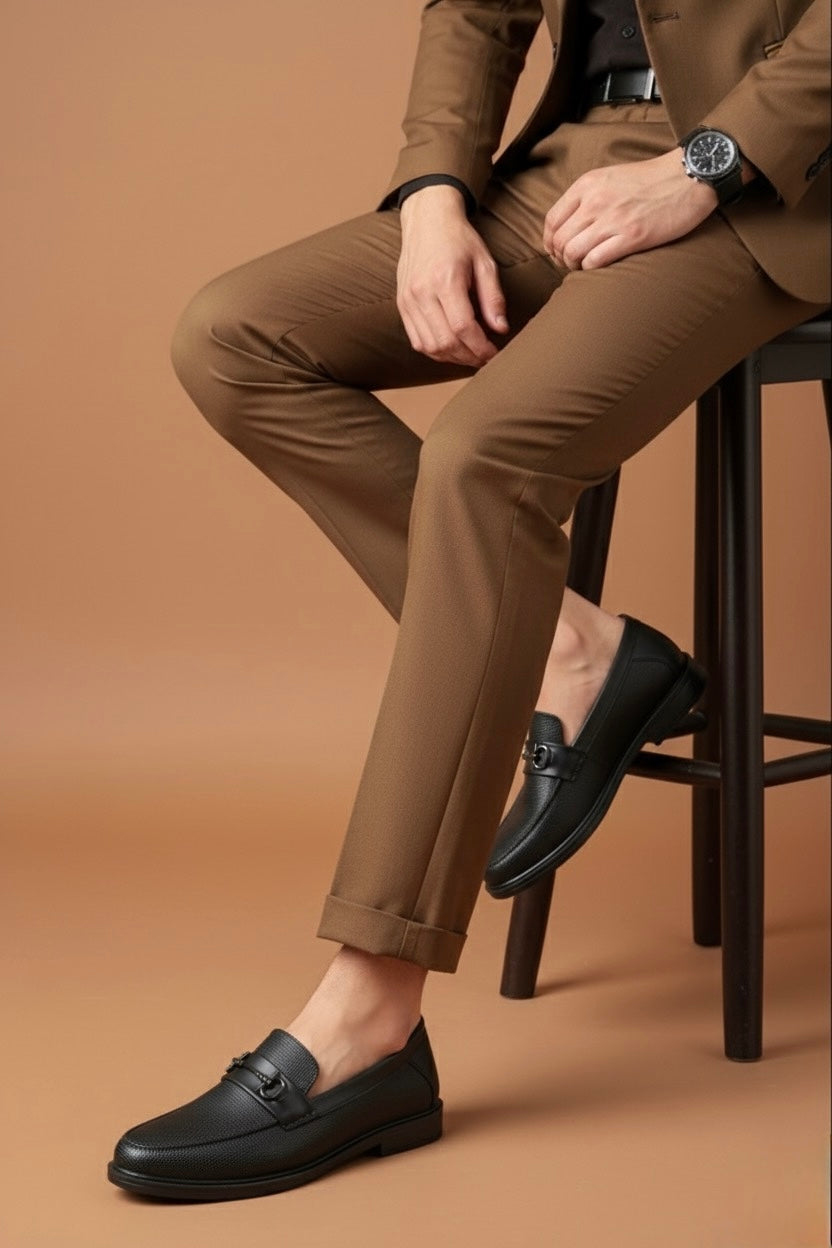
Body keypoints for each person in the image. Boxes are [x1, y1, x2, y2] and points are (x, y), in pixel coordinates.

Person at [107, 0, 830, 1201]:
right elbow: (475, 7)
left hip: (776, 183)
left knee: (482, 459)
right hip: (570, 161)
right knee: (233, 336)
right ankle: (575, 651)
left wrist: (703, 165)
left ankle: (368, 1021)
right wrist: (434, 196)